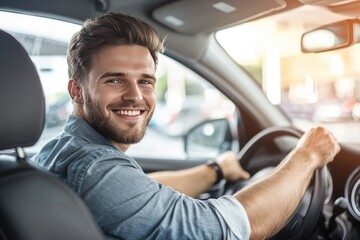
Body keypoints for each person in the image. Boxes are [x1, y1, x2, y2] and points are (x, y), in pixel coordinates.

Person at [32, 12, 340, 240]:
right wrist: (307, 156)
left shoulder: (66, 150)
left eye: (145, 81)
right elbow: (241, 226)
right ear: (76, 91)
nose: (135, 95)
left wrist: (216, 171)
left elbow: (145, 193)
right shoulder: (95, 168)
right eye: (114, 80)